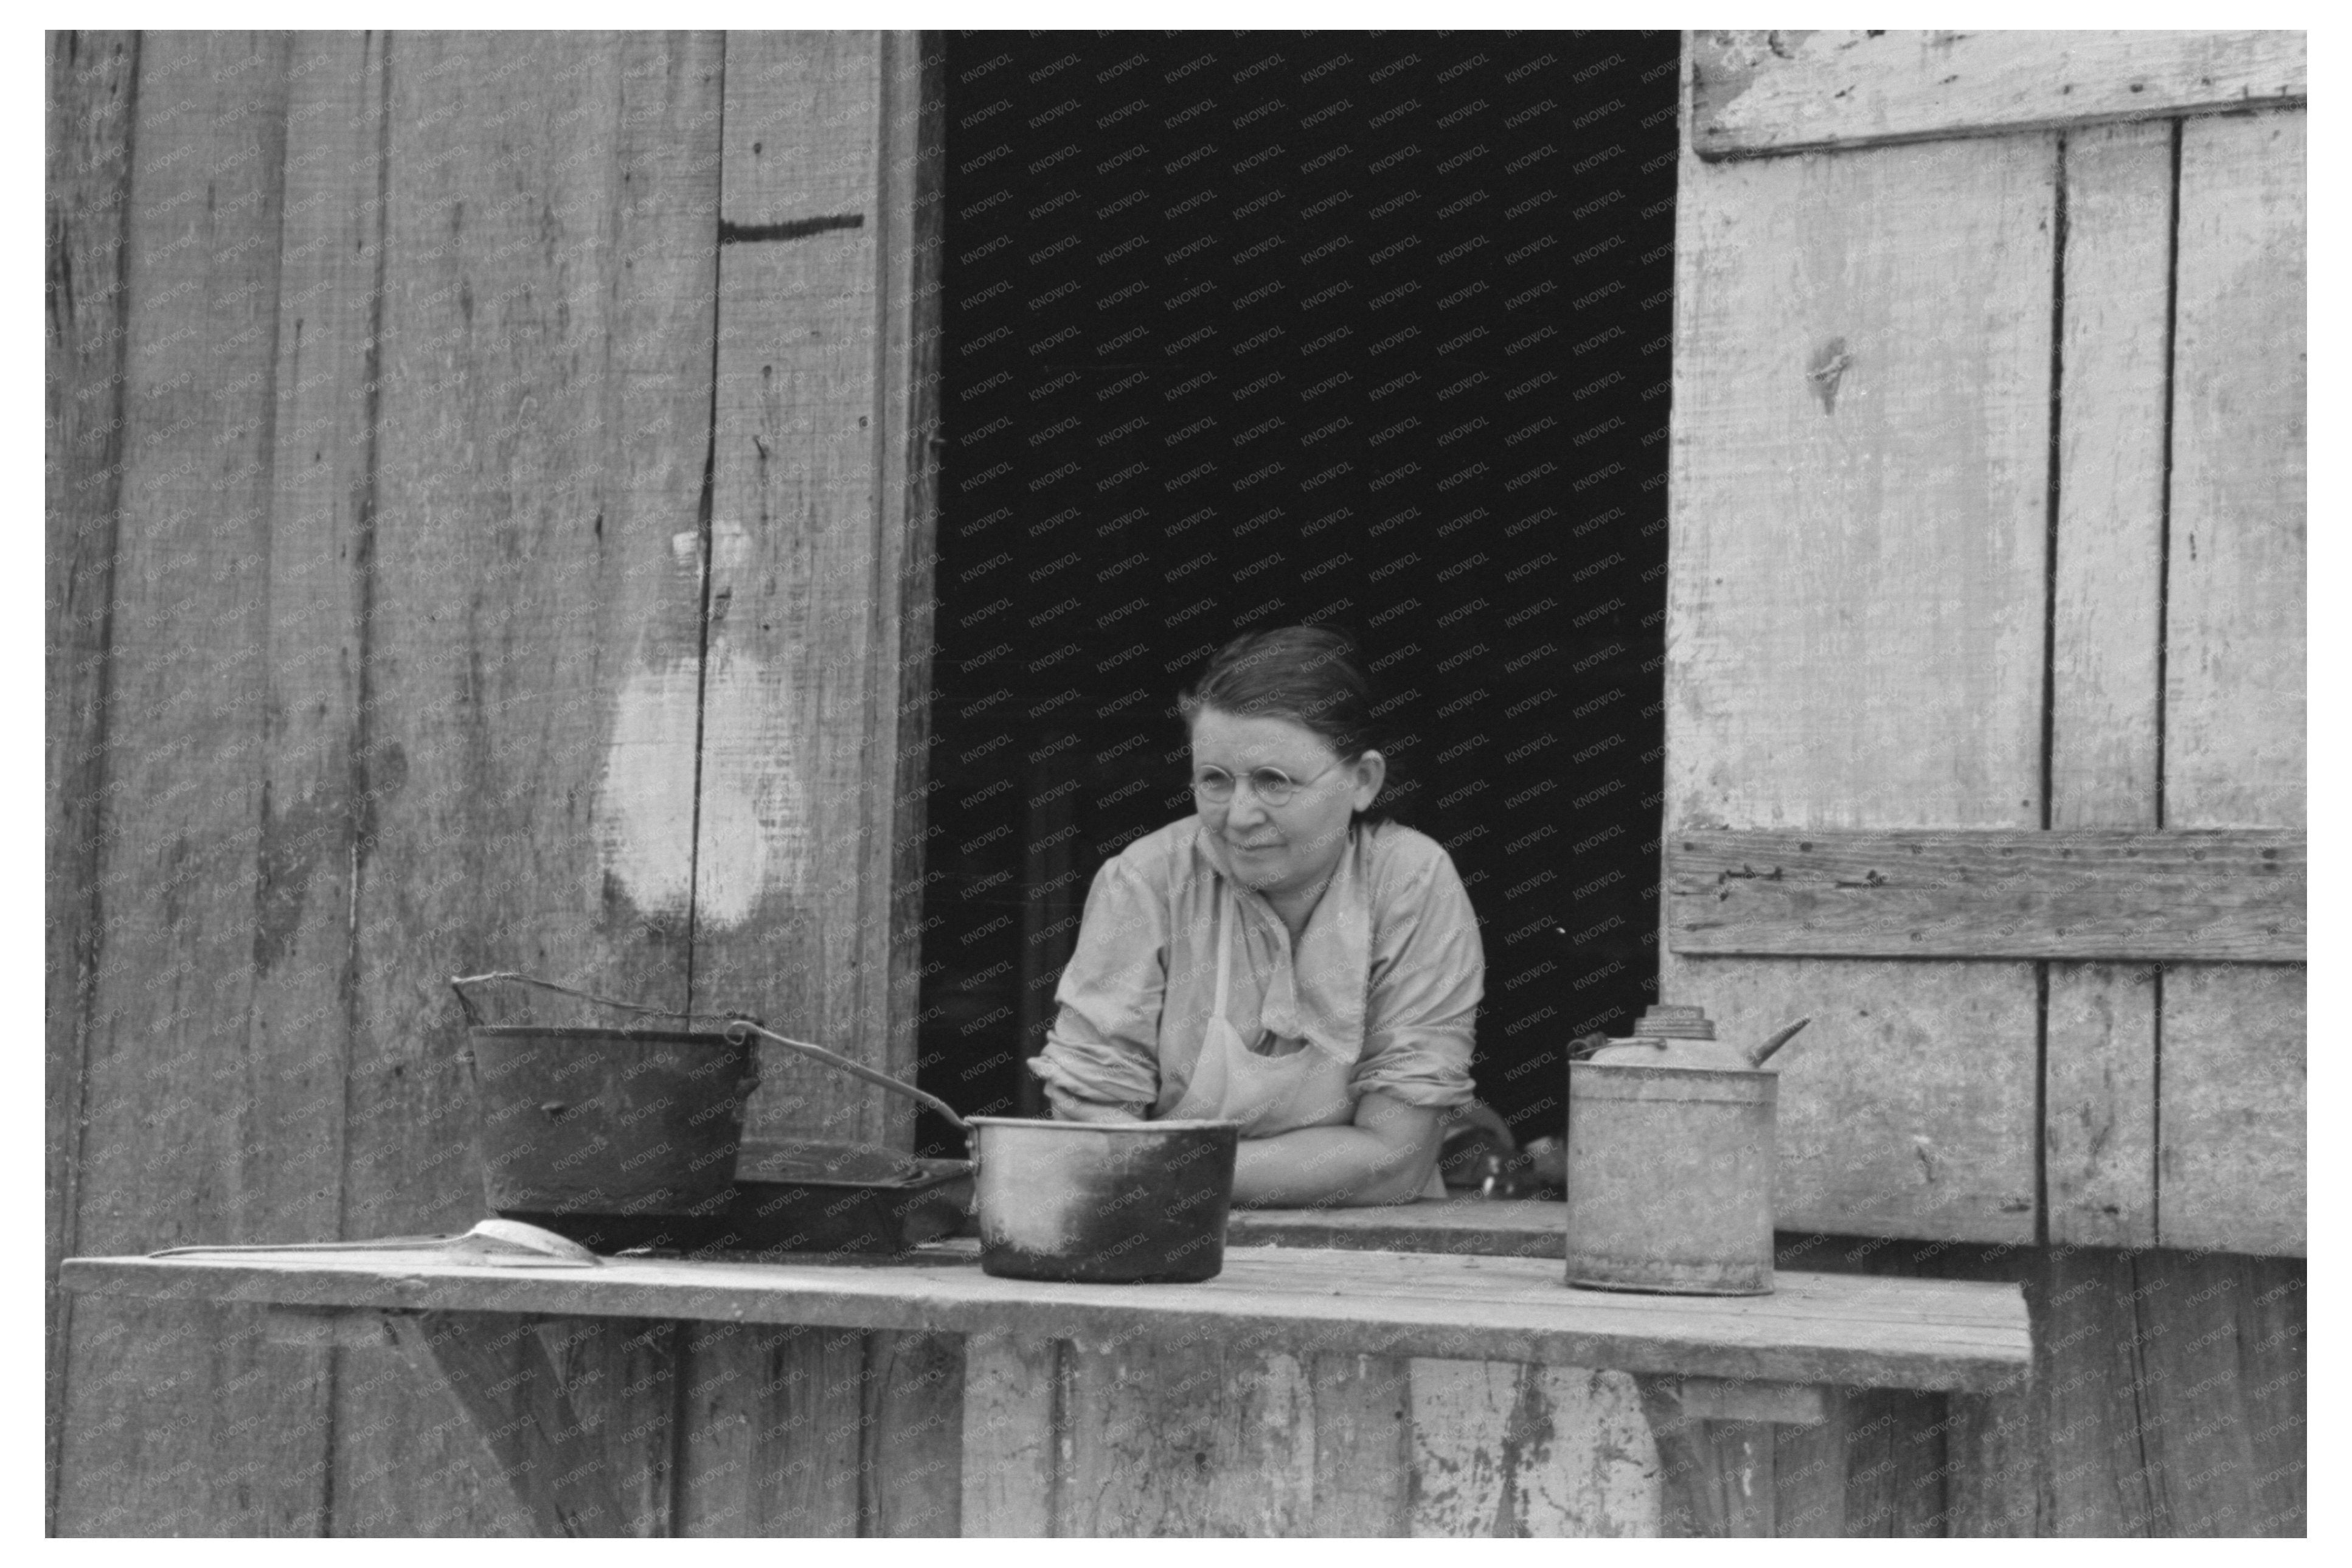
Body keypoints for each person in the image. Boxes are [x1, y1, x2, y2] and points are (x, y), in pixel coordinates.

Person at [1027, 626, 1483, 1205]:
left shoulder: (1410, 884)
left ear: (1363, 780)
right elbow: (1095, 1140)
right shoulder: (1148, 882)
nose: (1239, 816)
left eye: (1274, 782)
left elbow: (1395, 1160)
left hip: (1374, 1252)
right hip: (1166, 1239)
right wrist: (1148, 1174)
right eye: (1215, 781)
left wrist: (1159, 1171)